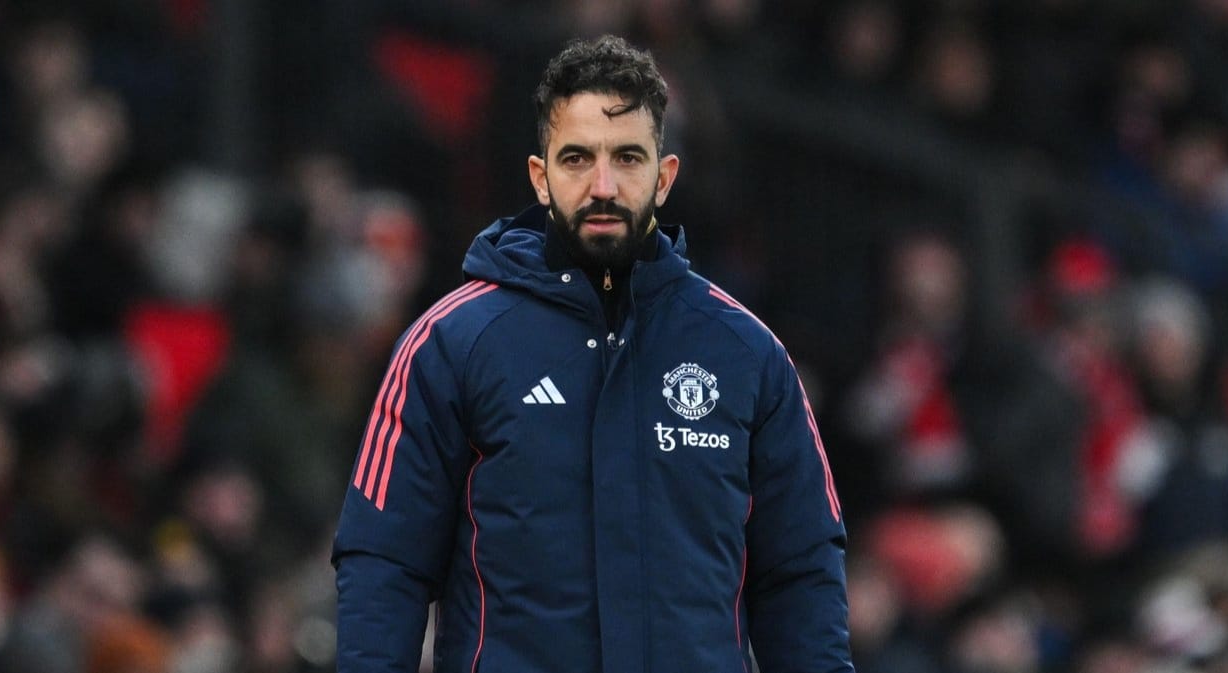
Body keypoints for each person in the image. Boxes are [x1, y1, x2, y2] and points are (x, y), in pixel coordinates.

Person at [332, 35, 854, 673]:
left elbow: (800, 573)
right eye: (577, 158)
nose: (602, 185)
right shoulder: (451, 344)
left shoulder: (748, 354)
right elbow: (385, 560)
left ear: (663, 179)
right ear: (540, 176)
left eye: (627, 158)